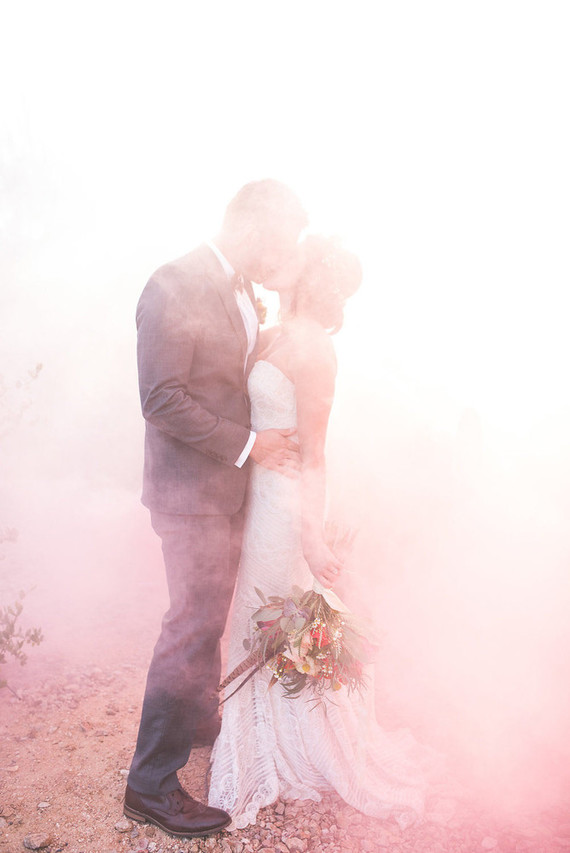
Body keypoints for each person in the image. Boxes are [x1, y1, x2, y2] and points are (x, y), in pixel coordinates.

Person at [209, 235, 430, 829]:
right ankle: (252, 730)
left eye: (290, 258)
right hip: (254, 493)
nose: (275, 260)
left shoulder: (315, 352)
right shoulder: (275, 332)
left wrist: (312, 539)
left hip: (283, 510)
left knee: (276, 616)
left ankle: (296, 743)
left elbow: (315, 455)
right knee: (248, 615)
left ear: (308, 277)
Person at [124, 180, 308, 838]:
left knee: (207, 621)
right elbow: (162, 398)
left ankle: (201, 721)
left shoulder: (241, 291)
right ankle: (150, 783)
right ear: (256, 228)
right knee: (190, 627)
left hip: (224, 492)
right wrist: (254, 444)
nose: (283, 255)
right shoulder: (173, 282)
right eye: (282, 239)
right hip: (189, 497)